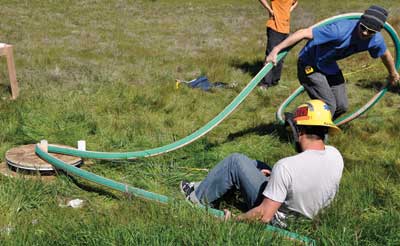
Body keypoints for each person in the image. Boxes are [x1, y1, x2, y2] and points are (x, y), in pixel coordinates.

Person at [180, 99, 344, 226]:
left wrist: (232, 220)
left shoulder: (286, 166)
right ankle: (208, 187)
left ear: (299, 131)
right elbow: (307, 177)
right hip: (306, 216)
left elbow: (264, 215)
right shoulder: (335, 155)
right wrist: (274, 177)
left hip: (280, 221)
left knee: (235, 162)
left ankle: (195, 198)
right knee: (260, 166)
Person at [266, 5, 400, 119]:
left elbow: (385, 54)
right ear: (360, 21)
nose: (365, 33)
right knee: (328, 105)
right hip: (309, 63)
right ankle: (299, 126)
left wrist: (393, 73)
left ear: (377, 31)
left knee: (341, 106)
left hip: (328, 65)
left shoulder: (376, 40)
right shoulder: (339, 30)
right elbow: (303, 33)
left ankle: (320, 125)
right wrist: (275, 50)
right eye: (363, 27)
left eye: (370, 31)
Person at [258, 0, 298, 89]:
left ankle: (275, 81)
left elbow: (295, 2)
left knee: (281, 57)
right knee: (271, 54)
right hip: (274, 27)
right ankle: (265, 83)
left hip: (285, 28)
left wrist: (289, 10)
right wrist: (270, 10)